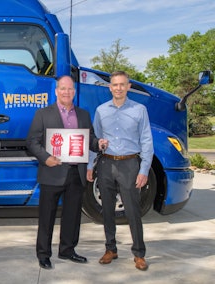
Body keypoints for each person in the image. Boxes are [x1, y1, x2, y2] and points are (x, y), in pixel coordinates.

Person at [26, 75, 107, 270]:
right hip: (52, 171)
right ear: (56, 91)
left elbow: (91, 140)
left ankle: (68, 250)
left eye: (70, 89)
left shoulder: (83, 114)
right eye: (63, 88)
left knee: (72, 216)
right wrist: (46, 158)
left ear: (74, 92)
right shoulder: (43, 114)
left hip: (75, 173)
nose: (66, 92)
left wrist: (99, 144)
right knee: (47, 216)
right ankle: (44, 254)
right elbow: (31, 142)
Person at [87, 70, 154, 271]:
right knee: (106, 210)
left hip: (130, 164)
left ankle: (139, 253)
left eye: (122, 84)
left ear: (128, 86)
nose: (118, 88)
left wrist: (144, 169)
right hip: (106, 164)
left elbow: (147, 141)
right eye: (115, 85)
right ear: (110, 87)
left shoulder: (139, 109)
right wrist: (91, 165)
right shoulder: (101, 111)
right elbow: (95, 141)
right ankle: (111, 249)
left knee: (133, 210)